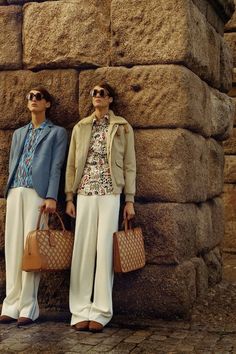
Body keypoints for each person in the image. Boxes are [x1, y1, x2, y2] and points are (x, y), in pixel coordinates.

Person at [65, 82, 136, 332]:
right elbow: (72, 163)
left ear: (110, 99)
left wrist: (130, 200)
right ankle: (80, 309)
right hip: (84, 192)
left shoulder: (123, 127)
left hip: (110, 192)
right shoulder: (81, 127)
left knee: (105, 249)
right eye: (93, 92)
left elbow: (129, 164)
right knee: (83, 249)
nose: (97, 96)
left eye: (101, 93)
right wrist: (69, 197)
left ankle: (102, 310)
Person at [0, 86, 67, 326]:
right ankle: (11, 303)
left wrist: (51, 196)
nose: (33, 100)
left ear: (47, 103)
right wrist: (9, 190)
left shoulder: (57, 133)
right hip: (16, 191)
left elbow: (57, 166)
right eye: (30, 96)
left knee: (31, 249)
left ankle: (29, 306)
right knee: (13, 247)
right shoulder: (19, 133)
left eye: (38, 97)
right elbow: (12, 163)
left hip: (38, 195)